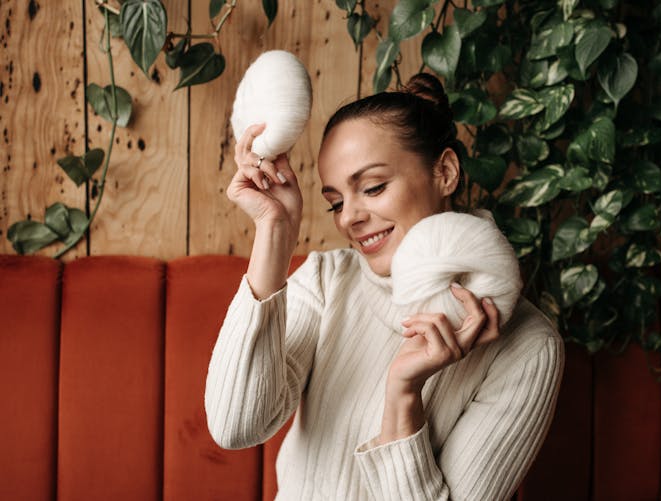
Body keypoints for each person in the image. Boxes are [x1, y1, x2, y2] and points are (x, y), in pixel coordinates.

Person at [204, 73, 564, 500]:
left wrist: (403, 395)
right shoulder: (326, 280)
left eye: (372, 188)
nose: (348, 219)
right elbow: (236, 425)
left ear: (446, 172)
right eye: (336, 202)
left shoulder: (528, 346)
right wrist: (275, 230)